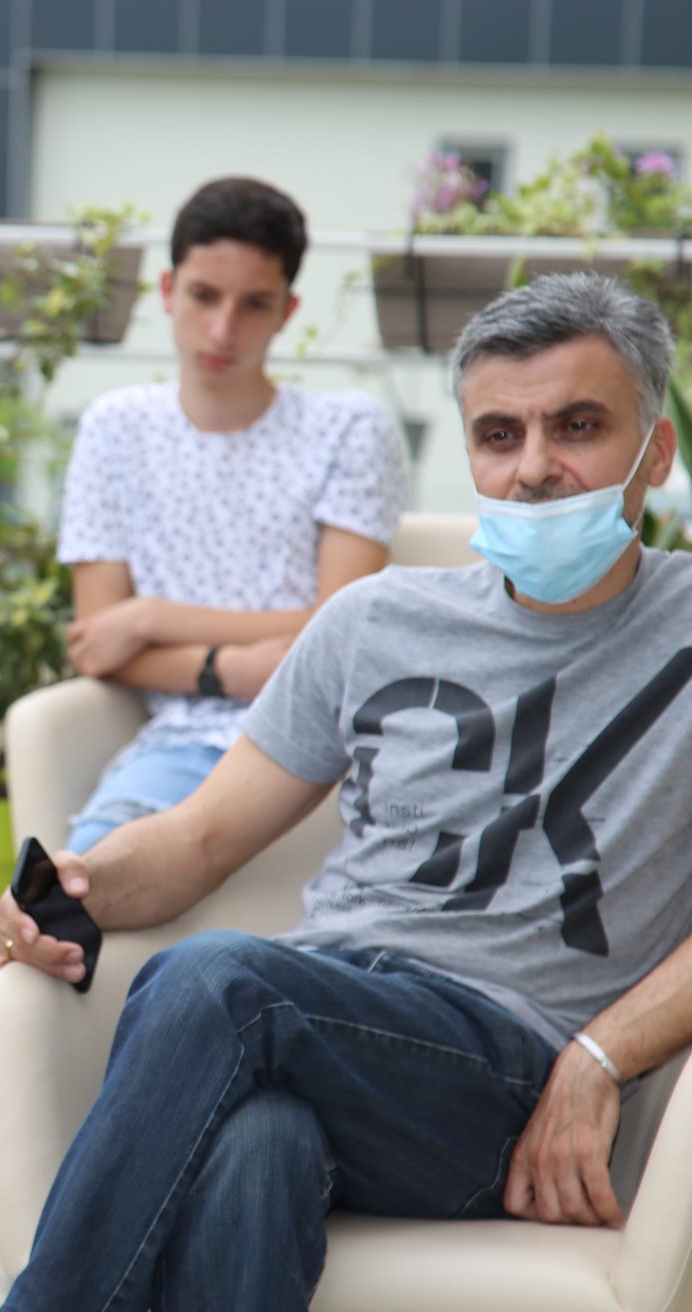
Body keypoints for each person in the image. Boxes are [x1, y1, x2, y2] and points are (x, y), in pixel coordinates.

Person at [0, 273, 692, 1312]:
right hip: (326, 1023)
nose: (533, 466)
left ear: (653, 452)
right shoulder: (373, 619)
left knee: (217, 979)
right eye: (498, 434)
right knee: (253, 1147)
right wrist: (70, 889)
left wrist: (595, 1057)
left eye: (577, 427)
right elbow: (196, 840)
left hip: (506, 1070)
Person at [54, 175, 407, 855]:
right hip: (180, 746)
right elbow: (98, 644)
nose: (223, 329)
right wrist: (229, 670)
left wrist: (150, 618)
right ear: (167, 290)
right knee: (71, 889)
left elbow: (345, 627)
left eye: (254, 304)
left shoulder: (349, 429)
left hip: (331, 738)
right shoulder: (115, 428)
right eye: (204, 296)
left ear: (287, 311)